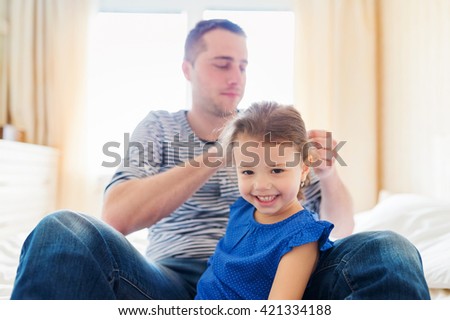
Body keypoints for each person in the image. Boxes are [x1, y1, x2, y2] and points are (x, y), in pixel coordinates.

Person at [11, 19, 430, 299]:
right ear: (188, 69)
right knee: (61, 230)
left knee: (387, 248)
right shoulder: (158, 127)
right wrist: (219, 153)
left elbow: (338, 228)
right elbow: (116, 216)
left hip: (282, 279)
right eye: (222, 64)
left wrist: (327, 174)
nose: (236, 77)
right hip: (176, 281)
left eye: (244, 66)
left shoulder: (276, 138)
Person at [195, 101, 334, 300]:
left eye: (276, 170)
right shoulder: (242, 208)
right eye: (248, 171)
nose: (260, 185)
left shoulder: (302, 237)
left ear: (303, 169)